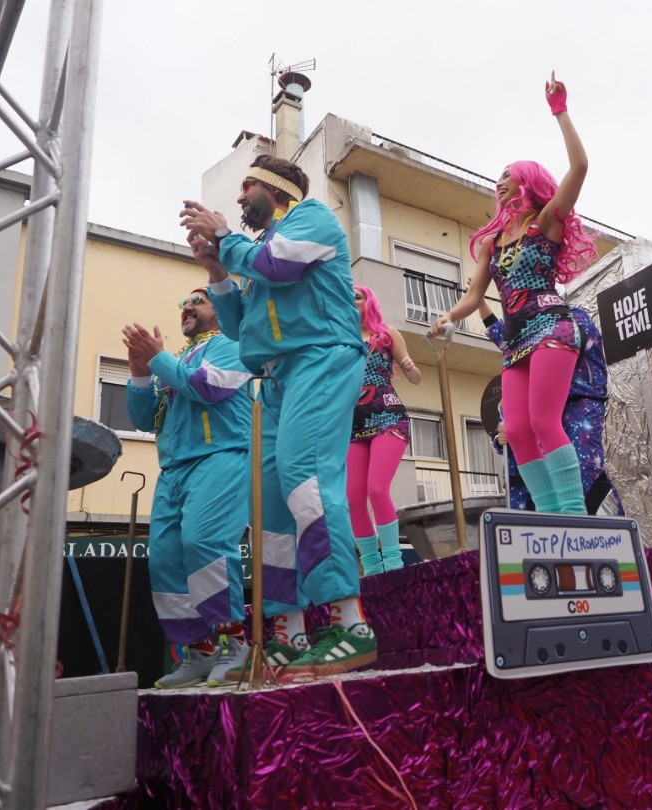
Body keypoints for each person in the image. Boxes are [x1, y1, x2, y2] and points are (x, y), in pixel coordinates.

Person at [180, 154, 376, 678]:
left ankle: (350, 625)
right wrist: (218, 272)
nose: (239, 197)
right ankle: (288, 634)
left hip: (321, 359)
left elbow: (277, 266)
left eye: (247, 186)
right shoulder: (260, 248)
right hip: (276, 380)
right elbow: (239, 326)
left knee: (305, 478)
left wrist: (225, 238)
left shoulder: (312, 219)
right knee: (268, 506)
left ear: (275, 188)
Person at [428, 72, 596, 515]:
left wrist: (560, 110)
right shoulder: (492, 241)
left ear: (526, 182)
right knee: (517, 431)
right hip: (516, 339)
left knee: (543, 421)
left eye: (508, 175)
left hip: (552, 327)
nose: (499, 182)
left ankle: (573, 513)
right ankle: (550, 515)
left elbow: (580, 167)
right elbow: (474, 296)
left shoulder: (547, 220)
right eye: (498, 177)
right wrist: (448, 317)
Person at [123, 289, 253, 688]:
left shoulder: (234, 344)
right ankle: (199, 650)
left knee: (203, 541)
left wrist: (158, 359)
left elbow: (208, 388)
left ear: (220, 310)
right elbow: (144, 419)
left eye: (199, 300)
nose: (188, 307)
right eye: (184, 303)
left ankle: (235, 643)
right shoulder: (177, 358)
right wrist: (140, 372)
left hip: (221, 455)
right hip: (173, 468)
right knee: (164, 560)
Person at [478, 296, 623, 515]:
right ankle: (552, 521)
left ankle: (597, 520)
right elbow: (509, 341)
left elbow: (568, 342)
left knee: (584, 465)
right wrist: (480, 304)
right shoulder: (525, 330)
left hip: (579, 399)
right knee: (543, 466)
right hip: (545, 407)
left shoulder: (573, 318)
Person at [348, 285, 421, 574]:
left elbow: (415, 378)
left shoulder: (386, 333)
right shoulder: (341, 340)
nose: (350, 299)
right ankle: (371, 568)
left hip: (387, 416)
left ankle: (392, 563)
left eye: (356, 296)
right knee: (353, 498)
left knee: (377, 489)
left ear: (369, 301)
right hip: (353, 424)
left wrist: (410, 365)